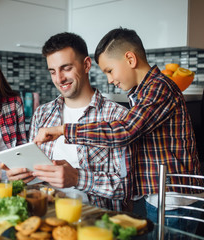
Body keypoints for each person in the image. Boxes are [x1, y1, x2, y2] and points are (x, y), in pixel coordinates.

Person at [34, 28, 203, 233]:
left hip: (173, 200)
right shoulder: (142, 93)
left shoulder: (159, 88)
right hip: (158, 197)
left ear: (130, 59)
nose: (109, 80)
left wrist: (64, 130)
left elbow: (124, 131)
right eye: (52, 71)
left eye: (109, 70)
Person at [4, 32, 132, 211]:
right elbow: (36, 175)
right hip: (47, 215)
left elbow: (129, 188)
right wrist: (22, 175)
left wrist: (77, 178)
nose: (59, 79)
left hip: (96, 222)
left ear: (86, 65)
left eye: (66, 68)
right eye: (53, 71)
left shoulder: (118, 116)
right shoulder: (42, 114)